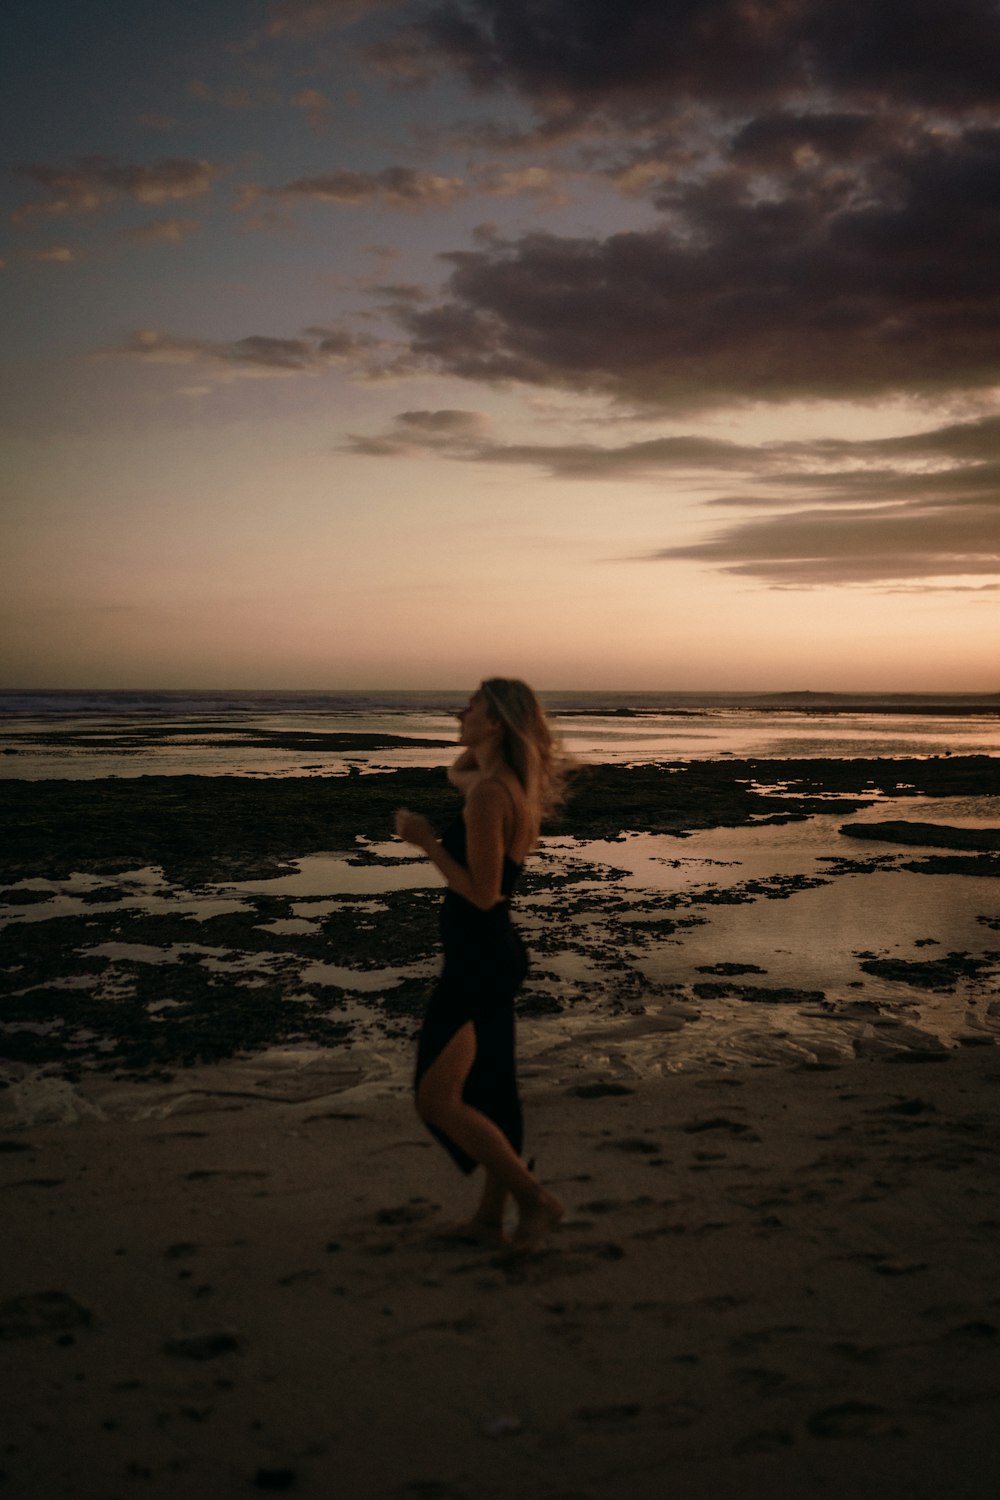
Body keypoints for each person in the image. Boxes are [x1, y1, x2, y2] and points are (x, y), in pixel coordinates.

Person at [394, 678, 568, 1250]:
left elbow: (485, 892)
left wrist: (427, 843)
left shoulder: (492, 795)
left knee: (436, 1098)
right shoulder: (502, 784)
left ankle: (534, 1200)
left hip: (480, 959)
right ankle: (491, 1219)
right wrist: (478, 743)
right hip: (489, 953)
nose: (459, 711)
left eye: (471, 706)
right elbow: (457, 770)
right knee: (491, 1091)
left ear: (495, 722)